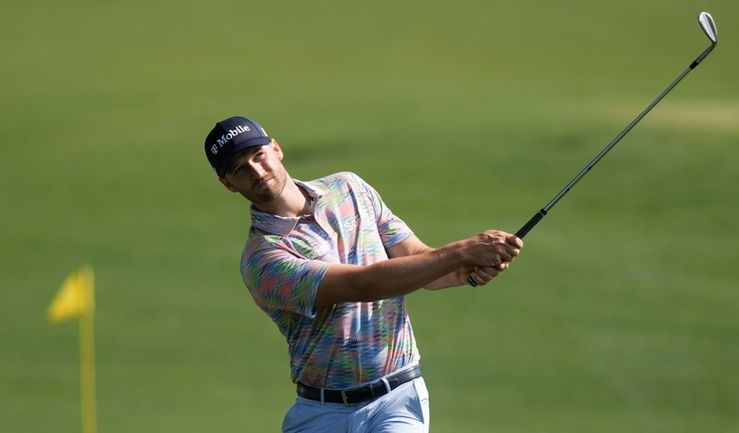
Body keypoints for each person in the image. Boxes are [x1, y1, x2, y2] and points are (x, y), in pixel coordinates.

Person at [204, 116, 524, 432]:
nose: (257, 171)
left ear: (276, 148)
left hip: (397, 399)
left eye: (258, 155)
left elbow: (414, 258)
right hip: (322, 414)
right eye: (240, 169)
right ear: (229, 184)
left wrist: (459, 270)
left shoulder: (348, 188)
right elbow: (363, 284)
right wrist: (462, 252)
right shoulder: (262, 258)